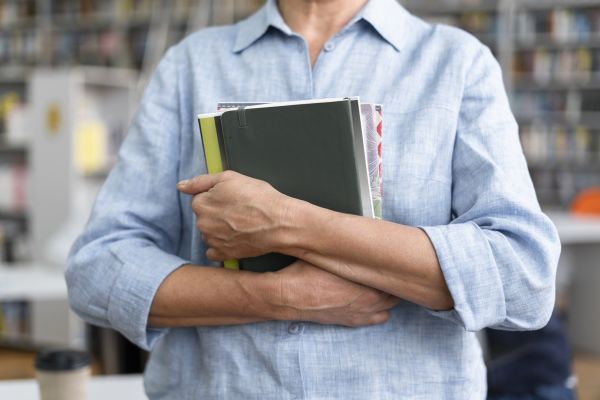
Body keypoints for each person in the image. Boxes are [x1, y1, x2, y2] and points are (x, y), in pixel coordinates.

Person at [66, 0, 561, 398]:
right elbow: (97, 269)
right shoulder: (190, 65)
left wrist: (287, 223)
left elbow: (523, 278)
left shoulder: (455, 62)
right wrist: (280, 298)